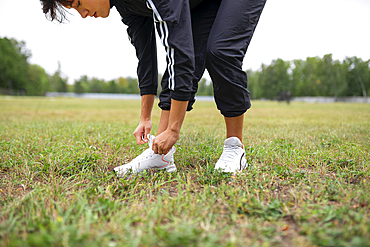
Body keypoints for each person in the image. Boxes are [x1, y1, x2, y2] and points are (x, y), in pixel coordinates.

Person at [40, 0, 266, 176]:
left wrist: (174, 130)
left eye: (78, 4)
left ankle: (235, 147)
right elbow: (146, 57)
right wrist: (145, 118)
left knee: (220, 52)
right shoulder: (126, 7)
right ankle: (161, 156)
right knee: (180, 59)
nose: (83, 14)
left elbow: (179, 50)